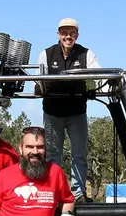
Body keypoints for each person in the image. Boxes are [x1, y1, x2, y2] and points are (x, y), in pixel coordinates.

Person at [36, 17, 102, 203]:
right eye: (64, 32)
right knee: (53, 154)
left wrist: (98, 85)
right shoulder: (46, 54)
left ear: (77, 35)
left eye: (72, 33)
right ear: (58, 34)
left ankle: (78, 193)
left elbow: (99, 74)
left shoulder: (86, 54)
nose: (68, 36)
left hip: (77, 112)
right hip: (52, 111)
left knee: (79, 153)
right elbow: (38, 80)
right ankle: (55, 192)